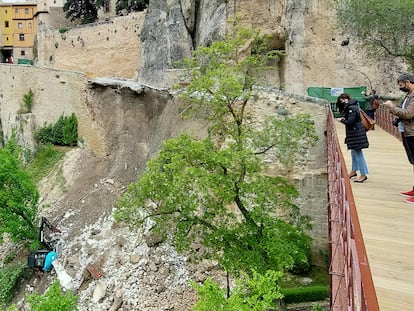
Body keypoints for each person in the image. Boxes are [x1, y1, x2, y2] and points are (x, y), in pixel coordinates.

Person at [383, 73, 414, 203]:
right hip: (407, 132)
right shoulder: (408, 96)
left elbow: (408, 114)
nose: (400, 87)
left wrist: (392, 107)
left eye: (401, 85)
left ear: (407, 82)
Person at [336, 93, 369, 182]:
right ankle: (354, 171)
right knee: (354, 152)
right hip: (354, 133)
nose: (341, 102)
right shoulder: (353, 106)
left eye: (342, 101)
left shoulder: (351, 108)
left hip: (356, 133)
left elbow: (350, 121)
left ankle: (363, 174)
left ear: (345, 100)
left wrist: (341, 120)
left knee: (358, 153)